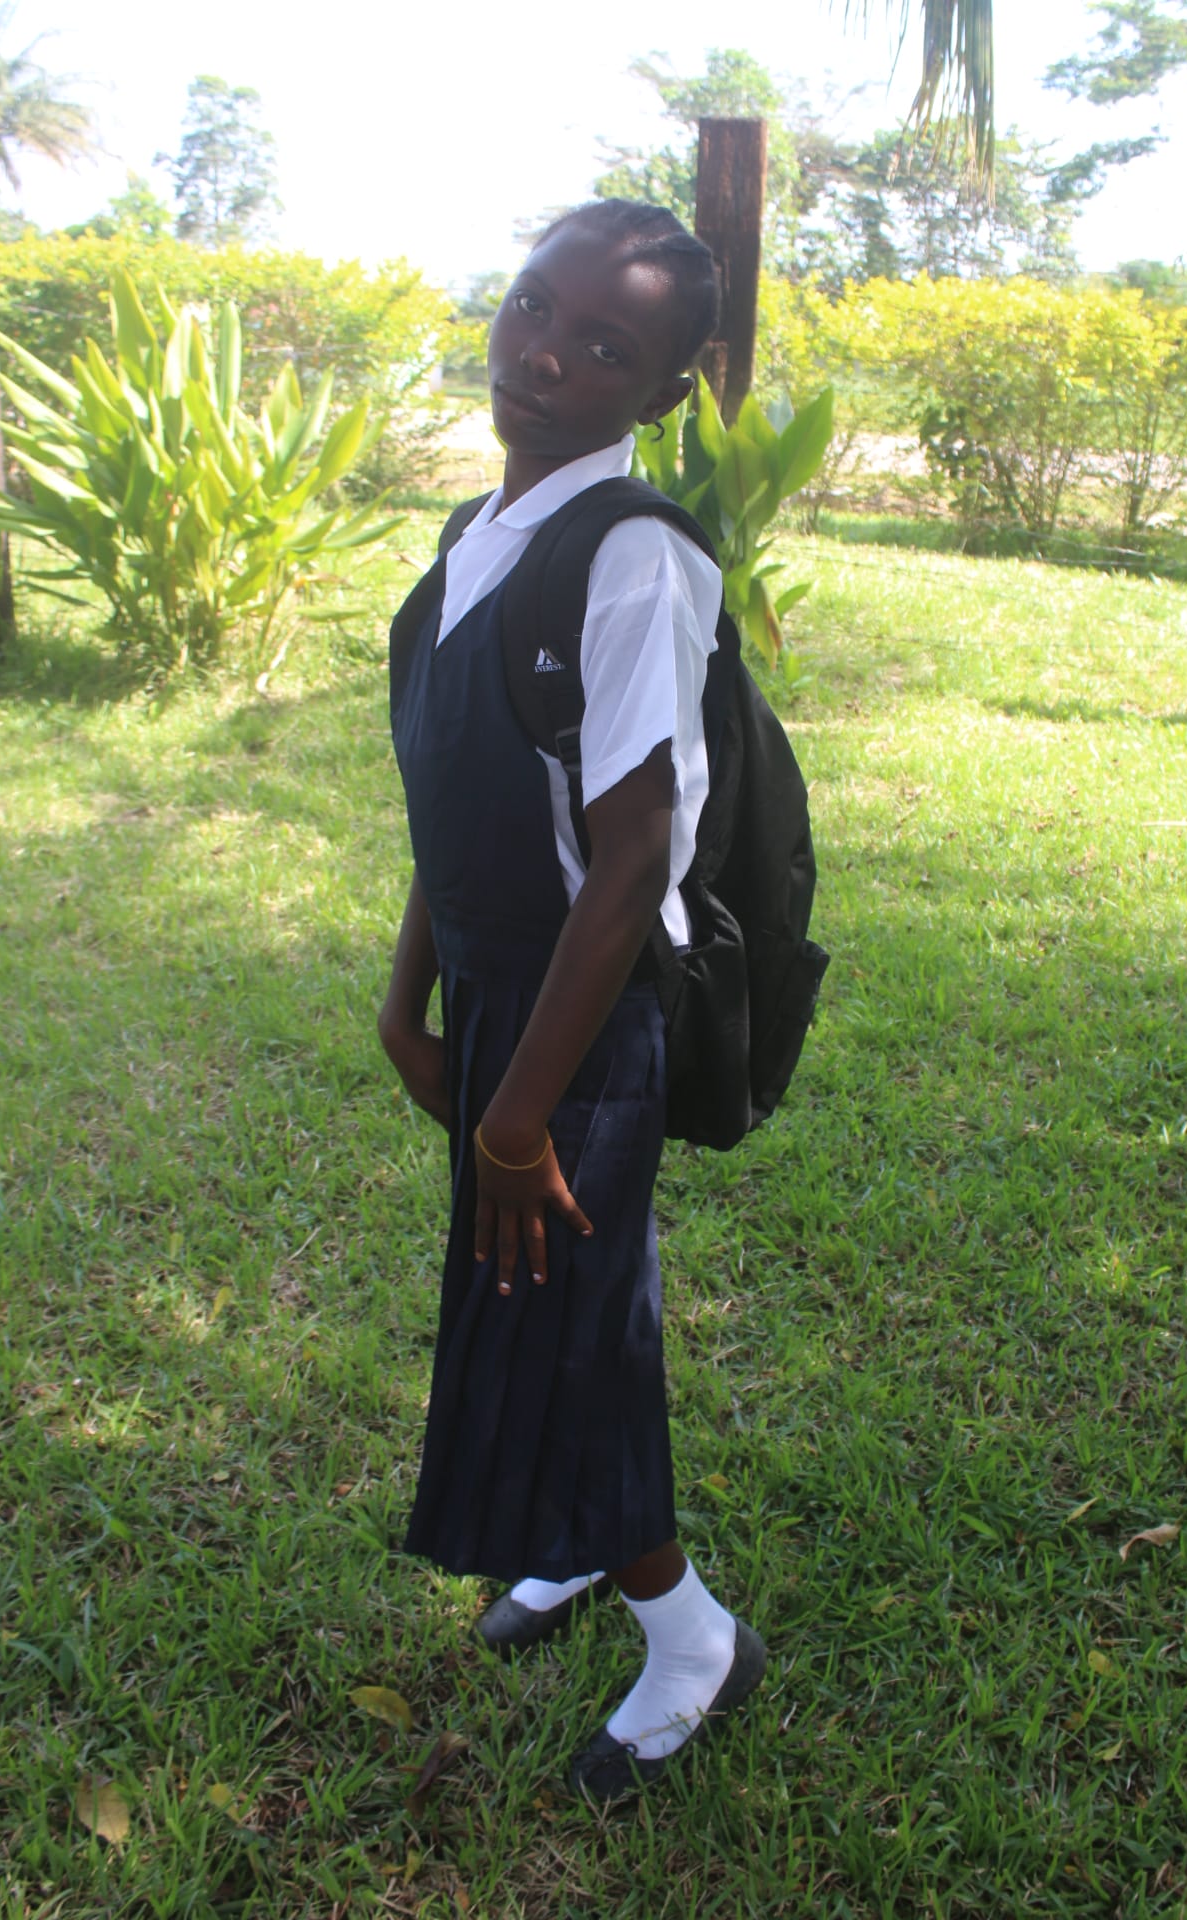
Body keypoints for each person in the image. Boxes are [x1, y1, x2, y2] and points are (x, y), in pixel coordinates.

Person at [379, 199, 766, 1804]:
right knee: (535, 1303)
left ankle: (690, 1634)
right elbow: (462, 793)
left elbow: (626, 864)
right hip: (498, 1001)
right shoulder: (480, 533)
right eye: (535, 305)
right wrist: (406, 1002)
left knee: (571, 1330)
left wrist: (520, 1113)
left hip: (584, 1027)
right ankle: (579, 1544)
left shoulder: (635, 561)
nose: (544, 354)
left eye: (604, 345)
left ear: (663, 392)